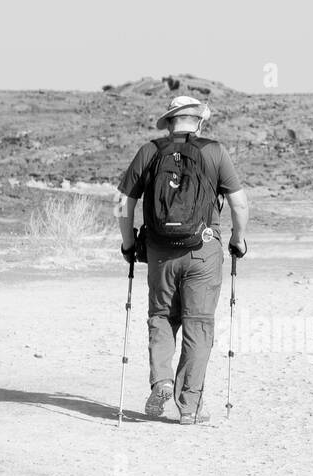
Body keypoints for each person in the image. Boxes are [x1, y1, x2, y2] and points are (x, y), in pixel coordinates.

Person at [116, 96, 249, 425]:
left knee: (161, 316)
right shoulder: (214, 151)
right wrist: (238, 240)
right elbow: (239, 204)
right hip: (203, 251)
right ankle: (189, 407)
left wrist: (129, 243)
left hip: (160, 251)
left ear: (170, 121)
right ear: (199, 121)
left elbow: (122, 202)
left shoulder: (150, 151)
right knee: (198, 324)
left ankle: (161, 380)